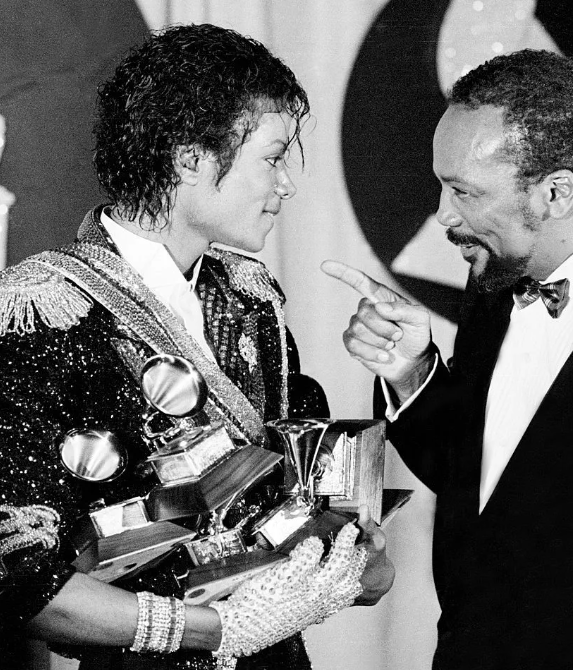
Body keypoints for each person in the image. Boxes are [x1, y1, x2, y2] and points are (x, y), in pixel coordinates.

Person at [0, 24, 394, 670]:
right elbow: (25, 585)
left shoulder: (250, 298)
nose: (286, 186)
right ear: (189, 160)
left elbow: (295, 516)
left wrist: (352, 562)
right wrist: (216, 628)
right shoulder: (39, 313)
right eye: (272, 157)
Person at [323, 49, 573, 669]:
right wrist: (412, 372)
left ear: (555, 192)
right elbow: (482, 482)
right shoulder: (495, 285)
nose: (444, 215)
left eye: (463, 191)